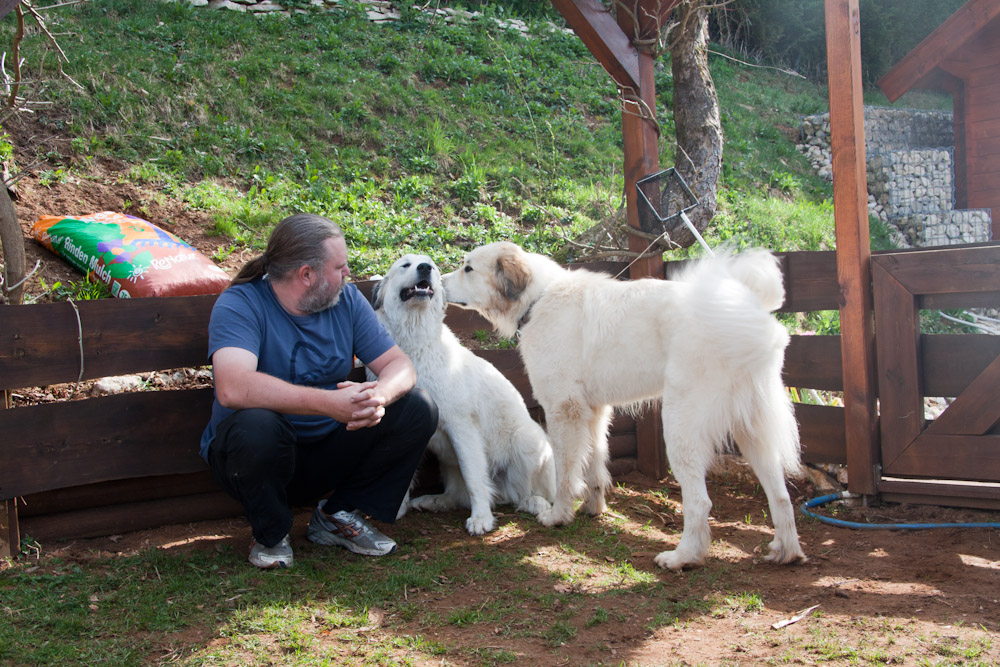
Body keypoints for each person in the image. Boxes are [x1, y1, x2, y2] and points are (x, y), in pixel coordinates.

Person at [199, 213, 438, 569]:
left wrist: (378, 396)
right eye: (339, 266)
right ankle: (271, 532)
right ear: (306, 274)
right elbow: (233, 388)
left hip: (326, 453)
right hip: (256, 461)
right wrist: (329, 403)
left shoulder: (347, 300)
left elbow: (400, 367)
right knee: (255, 426)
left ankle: (337, 515)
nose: (347, 274)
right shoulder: (240, 304)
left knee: (418, 406)